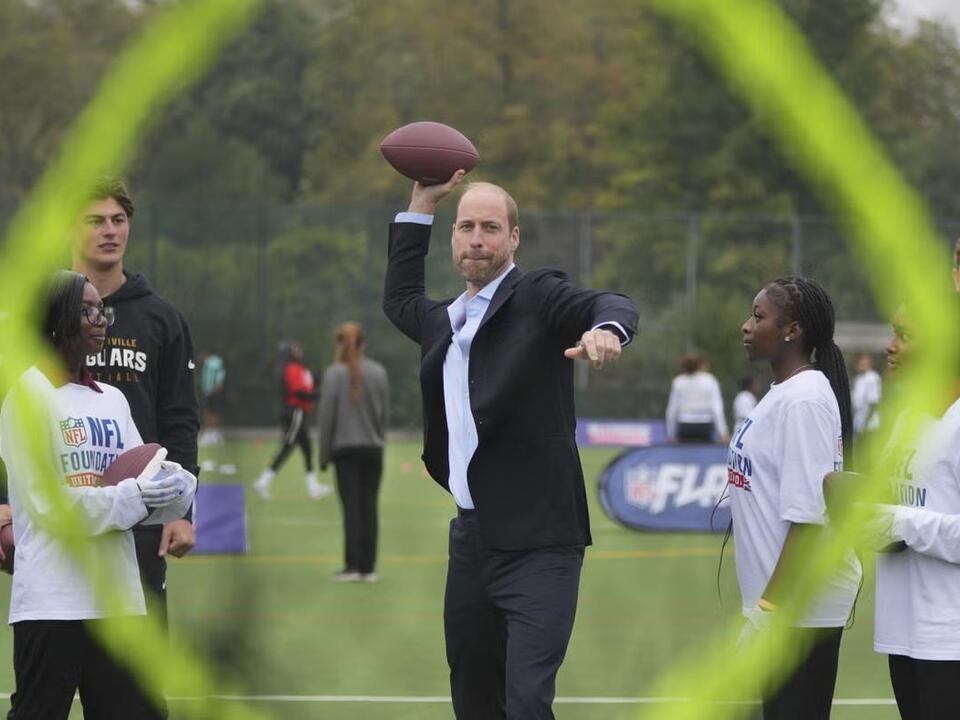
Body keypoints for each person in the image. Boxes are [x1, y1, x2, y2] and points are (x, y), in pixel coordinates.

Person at [383, 170, 638, 720]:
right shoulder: (444, 320)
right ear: (453, 237)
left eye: (491, 228)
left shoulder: (537, 295)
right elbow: (399, 296)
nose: (477, 238)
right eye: (467, 227)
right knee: (474, 700)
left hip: (542, 544)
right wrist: (421, 203)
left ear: (514, 238)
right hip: (472, 540)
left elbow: (606, 302)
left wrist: (608, 331)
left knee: (525, 702)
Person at [0, 271, 196, 719]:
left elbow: (150, 486)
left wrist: (179, 488)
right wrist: (139, 497)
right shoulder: (25, 398)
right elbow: (55, 509)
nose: (100, 319)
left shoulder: (112, 399)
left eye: (100, 310)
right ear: (54, 321)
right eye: (86, 310)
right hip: (53, 598)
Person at [71, 178, 199, 673]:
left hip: (136, 518)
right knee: (46, 686)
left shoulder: (161, 318)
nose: (109, 231)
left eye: (118, 220)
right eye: (95, 220)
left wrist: (181, 508)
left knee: (137, 684)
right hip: (61, 514)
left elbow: (180, 421)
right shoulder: (41, 314)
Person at [727, 276, 861, 719]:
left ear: (793, 330)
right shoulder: (783, 393)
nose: (747, 326)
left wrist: (768, 612)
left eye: (758, 316)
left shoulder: (803, 399)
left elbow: (808, 519)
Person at [861, 299, 960, 719]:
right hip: (903, 633)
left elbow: (905, 519)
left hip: (950, 639)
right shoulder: (905, 419)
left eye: (904, 336)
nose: (889, 347)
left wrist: (897, 522)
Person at [317, 322, 389, 582]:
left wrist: (323, 455)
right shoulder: (379, 372)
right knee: (369, 508)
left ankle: (352, 566)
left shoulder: (334, 374)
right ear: (364, 345)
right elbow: (383, 416)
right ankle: (368, 567)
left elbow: (326, 419)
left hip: (345, 450)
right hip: (373, 450)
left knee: (352, 509)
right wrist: (379, 440)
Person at [253, 342, 331, 500]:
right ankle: (263, 481)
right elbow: (300, 392)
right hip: (295, 413)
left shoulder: (300, 369)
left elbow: (313, 380)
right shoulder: (291, 369)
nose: (299, 351)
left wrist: (329, 373)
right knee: (288, 447)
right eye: (295, 349)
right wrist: (320, 397)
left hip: (300, 414)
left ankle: (313, 487)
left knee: (307, 449)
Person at [665, 352, 729, 443]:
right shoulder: (710, 380)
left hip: (685, 426)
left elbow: (672, 411)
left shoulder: (678, 382)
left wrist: (670, 434)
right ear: (701, 365)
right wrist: (723, 433)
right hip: (705, 427)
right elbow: (717, 409)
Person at [198, 351, 226, 446]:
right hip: (207, 391)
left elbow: (220, 372)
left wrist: (218, 384)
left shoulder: (213, 362)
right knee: (208, 411)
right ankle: (210, 433)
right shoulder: (207, 364)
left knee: (211, 412)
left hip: (213, 391)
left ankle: (212, 434)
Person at [851, 353, 882, 438]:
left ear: (870, 364)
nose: (861, 365)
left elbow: (873, 403)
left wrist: (864, 425)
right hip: (859, 421)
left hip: (869, 425)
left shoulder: (872, 378)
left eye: (864, 363)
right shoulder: (859, 378)